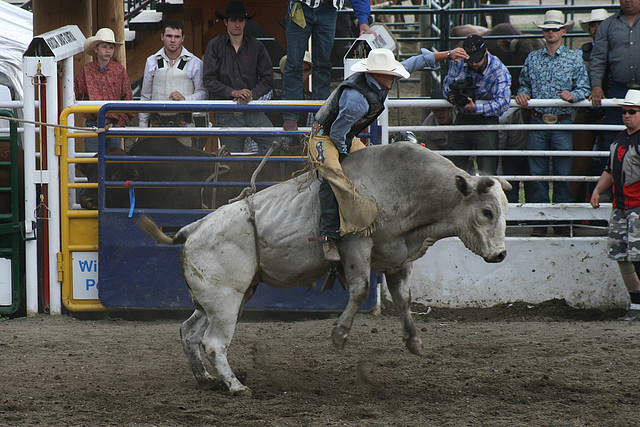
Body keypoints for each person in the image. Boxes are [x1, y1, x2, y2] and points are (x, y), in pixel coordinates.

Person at [309, 47, 468, 260]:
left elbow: (413, 63)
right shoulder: (356, 99)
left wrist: (446, 54)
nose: (395, 77)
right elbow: (337, 131)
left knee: (369, 167)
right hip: (325, 136)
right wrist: (344, 153)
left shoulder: (379, 81)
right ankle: (328, 237)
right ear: (377, 75)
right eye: (391, 74)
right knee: (334, 176)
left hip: (346, 135)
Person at [515, 10, 590, 235]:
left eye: (554, 29)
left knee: (563, 174)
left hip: (562, 122)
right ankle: (539, 222)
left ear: (563, 32)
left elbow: (584, 87)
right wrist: (523, 94)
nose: (550, 32)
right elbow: (524, 83)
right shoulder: (533, 57)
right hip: (539, 120)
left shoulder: (574, 58)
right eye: (547, 29)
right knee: (536, 174)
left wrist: (574, 96)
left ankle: (560, 223)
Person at [281, 0, 375, 132]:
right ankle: (293, 115)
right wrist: (363, 20)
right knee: (296, 64)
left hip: (324, 7)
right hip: (304, 6)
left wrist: (363, 20)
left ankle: (319, 117)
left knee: (320, 65)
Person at [590, 89, 640, 321]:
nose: (627, 116)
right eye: (624, 112)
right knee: (622, 257)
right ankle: (637, 306)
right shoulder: (620, 139)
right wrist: (599, 190)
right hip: (621, 207)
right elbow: (610, 169)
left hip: (636, 207)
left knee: (636, 257)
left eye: (632, 111)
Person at [203, 0, 275, 153]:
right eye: (233, 20)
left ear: (245, 22)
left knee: (275, 145)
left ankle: (265, 177)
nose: (237, 24)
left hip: (252, 109)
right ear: (225, 22)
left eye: (240, 20)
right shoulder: (214, 46)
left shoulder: (257, 46)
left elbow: (268, 79)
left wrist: (251, 94)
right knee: (232, 160)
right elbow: (208, 80)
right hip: (227, 112)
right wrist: (234, 93)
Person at [442, 34, 512, 175]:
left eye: (477, 60)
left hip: (487, 119)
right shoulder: (458, 61)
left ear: (485, 52)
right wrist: (451, 95)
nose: (473, 64)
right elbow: (447, 84)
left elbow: (504, 102)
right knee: (453, 164)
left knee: (487, 166)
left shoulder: (498, 70)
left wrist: (477, 107)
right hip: (463, 115)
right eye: (470, 61)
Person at [139, 20, 207, 132]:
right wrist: (142, 128)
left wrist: (185, 99)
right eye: (169, 36)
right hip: (157, 123)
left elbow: (203, 93)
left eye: (177, 36)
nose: (173, 40)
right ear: (162, 37)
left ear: (183, 38)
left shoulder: (195, 62)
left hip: (184, 123)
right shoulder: (151, 61)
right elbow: (146, 95)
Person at [74, 28, 134, 152]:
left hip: (115, 123)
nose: (108, 50)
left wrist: (121, 122)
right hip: (93, 123)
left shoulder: (120, 71)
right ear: (96, 49)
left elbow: (128, 98)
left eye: (111, 47)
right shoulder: (86, 70)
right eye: (104, 46)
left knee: (113, 162)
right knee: (93, 162)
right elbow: (76, 93)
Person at [498, 107, 531, 203]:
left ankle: (535, 216)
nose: (529, 114)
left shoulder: (539, 118)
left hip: (531, 154)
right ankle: (511, 215)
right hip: (510, 154)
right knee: (510, 189)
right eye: (526, 110)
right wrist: (500, 174)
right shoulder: (507, 119)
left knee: (533, 187)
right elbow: (499, 150)